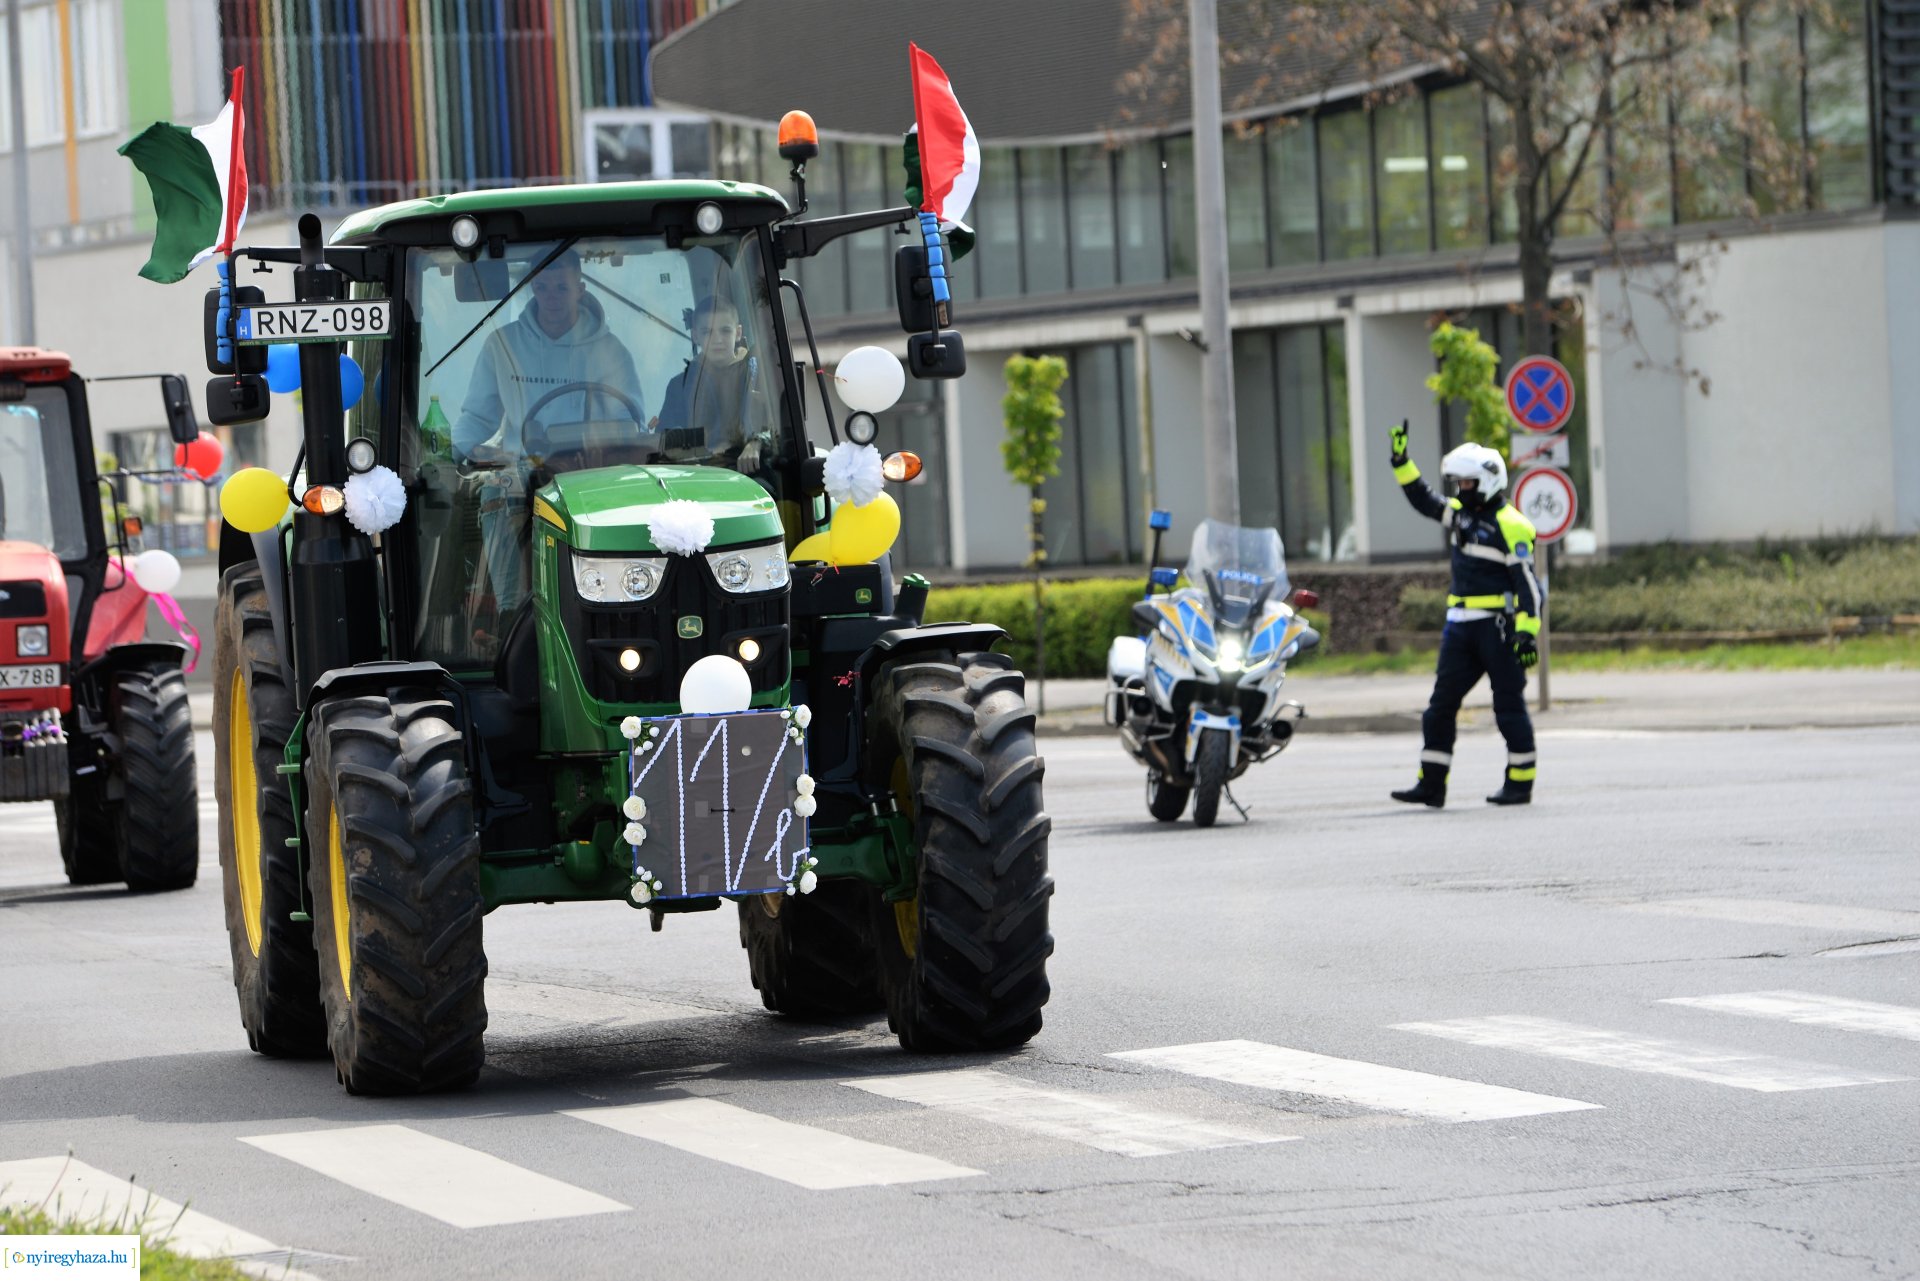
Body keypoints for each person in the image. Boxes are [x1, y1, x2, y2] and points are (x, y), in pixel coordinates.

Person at [450, 248, 647, 617]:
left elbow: (628, 424)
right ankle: (513, 611)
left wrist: (599, 448)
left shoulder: (611, 351)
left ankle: (618, 600)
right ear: (531, 290)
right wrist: (460, 449)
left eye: (561, 287)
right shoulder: (502, 346)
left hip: (591, 469)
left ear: (580, 288)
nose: (551, 297)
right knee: (496, 488)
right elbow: (477, 416)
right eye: (542, 288)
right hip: (524, 474)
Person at [1386, 420, 1545, 807]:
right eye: (1459, 484)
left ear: (1488, 481)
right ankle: (1431, 784)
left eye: (1467, 483)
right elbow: (1424, 499)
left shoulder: (1513, 526)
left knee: (1508, 707)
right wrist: (1401, 462)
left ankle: (1520, 783)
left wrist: (1527, 634)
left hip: (1499, 629)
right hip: (1459, 629)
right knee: (1439, 708)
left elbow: (1529, 587)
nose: (1461, 490)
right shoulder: (1459, 514)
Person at [651, 295, 772, 473]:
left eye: (725, 330)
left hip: (753, 473)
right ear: (695, 336)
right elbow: (664, 439)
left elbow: (781, 427)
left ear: (738, 333)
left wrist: (757, 442)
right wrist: (689, 456)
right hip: (697, 477)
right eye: (707, 332)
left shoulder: (760, 377)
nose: (717, 339)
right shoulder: (679, 386)